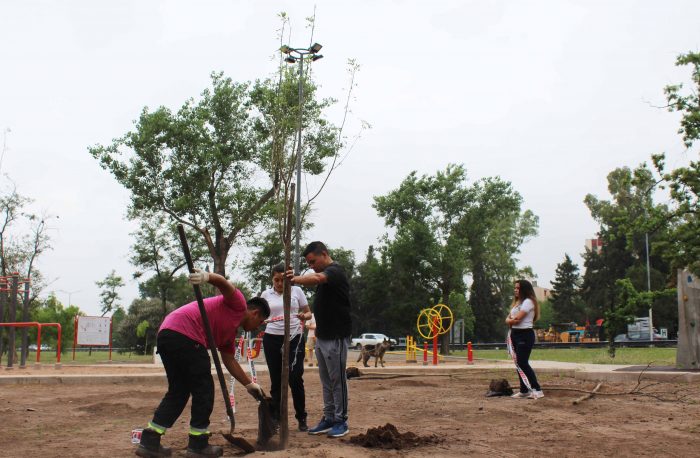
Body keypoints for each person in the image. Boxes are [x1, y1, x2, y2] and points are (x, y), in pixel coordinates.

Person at [136, 269, 270, 458]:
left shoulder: (229, 335)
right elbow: (224, 283)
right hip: (186, 334)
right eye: (260, 322)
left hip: (167, 334)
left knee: (179, 391)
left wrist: (249, 384)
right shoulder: (238, 305)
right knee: (204, 389)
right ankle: (198, 445)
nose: (257, 328)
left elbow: (229, 360)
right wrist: (208, 278)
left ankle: (150, 441)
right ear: (255, 313)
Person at [287, 241, 352, 438]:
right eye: (308, 262)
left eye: (312, 261)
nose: (311, 266)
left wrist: (295, 279)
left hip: (336, 336)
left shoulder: (334, 271)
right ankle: (329, 417)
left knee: (337, 380)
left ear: (324, 254)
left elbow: (316, 277)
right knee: (326, 381)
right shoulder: (326, 277)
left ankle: (341, 421)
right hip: (322, 336)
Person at [261, 263, 311, 432]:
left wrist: (304, 315)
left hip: (294, 337)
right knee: (276, 380)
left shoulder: (297, 291)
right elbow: (259, 315)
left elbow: (309, 312)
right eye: (276, 280)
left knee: (295, 378)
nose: (280, 284)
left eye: (283, 280)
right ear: (272, 279)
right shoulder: (266, 294)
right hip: (272, 339)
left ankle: (301, 417)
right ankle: (277, 418)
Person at [505, 279, 544, 400]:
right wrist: (510, 320)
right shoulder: (517, 303)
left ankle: (537, 389)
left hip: (525, 335)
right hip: (515, 334)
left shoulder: (528, 302)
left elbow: (518, 319)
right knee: (518, 363)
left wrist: (510, 320)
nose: (515, 290)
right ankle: (524, 390)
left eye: (518, 288)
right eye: (515, 288)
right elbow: (509, 319)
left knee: (523, 362)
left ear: (524, 290)